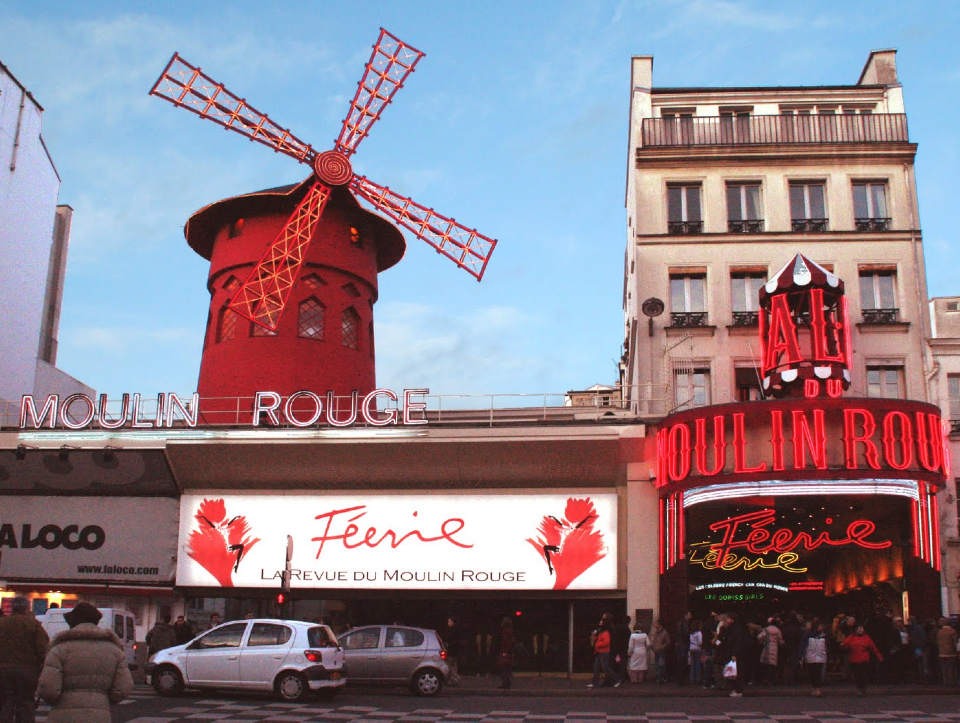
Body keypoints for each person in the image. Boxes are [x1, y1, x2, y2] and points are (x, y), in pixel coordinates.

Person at [37, 602, 133, 723]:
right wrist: (102, 698)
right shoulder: (115, 651)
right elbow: (123, 688)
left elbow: (48, 688)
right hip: (99, 714)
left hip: (64, 714)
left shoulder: (59, 650)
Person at [0, 595, 50, 723]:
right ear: (27, 608)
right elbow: (43, 649)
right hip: (28, 671)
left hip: (3, 671)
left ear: (12, 608)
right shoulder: (34, 625)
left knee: (5, 704)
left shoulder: (2, 623)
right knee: (26, 704)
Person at [841, 624, 882, 696]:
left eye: (861, 629)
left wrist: (879, 657)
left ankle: (863, 688)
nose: (860, 630)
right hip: (855, 659)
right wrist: (844, 646)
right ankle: (859, 689)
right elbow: (845, 644)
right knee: (858, 675)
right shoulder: (851, 637)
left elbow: (873, 648)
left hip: (864, 659)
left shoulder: (866, 637)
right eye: (859, 629)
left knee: (864, 675)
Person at [587, 616, 621, 688]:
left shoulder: (605, 633)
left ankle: (617, 679)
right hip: (599, 651)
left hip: (604, 652)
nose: (600, 622)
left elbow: (606, 642)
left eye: (601, 621)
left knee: (605, 667)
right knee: (596, 667)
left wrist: (596, 645)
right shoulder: (601, 632)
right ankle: (595, 682)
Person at [799, 622, 828, 697]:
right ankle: (813, 687)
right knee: (812, 673)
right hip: (810, 656)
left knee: (818, 673)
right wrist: (801, 655)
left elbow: (827, 646)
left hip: (820, 656)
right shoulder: (808, 634)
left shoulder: (824, 635)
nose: (821, 628)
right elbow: (803, 645)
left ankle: (817, 688)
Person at [758, 618, 784, 685]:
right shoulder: (778, 630)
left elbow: (759, 637)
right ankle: (771, 680)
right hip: (775, 647)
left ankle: (765, 679)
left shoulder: (766, 629)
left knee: (766, 663)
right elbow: (780, 640)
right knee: (772, 664)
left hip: (767, 646)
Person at [936, 618, 958, 686]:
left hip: (941, 652)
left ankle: (945, 682)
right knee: (951, 668)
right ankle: (951, 682)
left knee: (944, 668)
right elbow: (955, 642)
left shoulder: (939, 631)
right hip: (951, 652)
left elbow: (937, 641)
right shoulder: (952, 631)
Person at [443, 617, 463, 687]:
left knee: (449, 665)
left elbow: (449, 639)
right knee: (454, 665)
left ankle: (455, 678)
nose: (448, 623)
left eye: (449, 621)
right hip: (456, 651)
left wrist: (447, 644)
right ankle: (453, 680)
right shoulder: (458, 630)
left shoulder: (451, 631)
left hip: (451, 650)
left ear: (453, 622)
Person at [611, 615, 632, 683]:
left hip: (616, 648)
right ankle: (622, 677)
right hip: (624, 648)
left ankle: (616, 677)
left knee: (616, 663)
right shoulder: (627, 629)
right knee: (623, 663)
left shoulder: (616, 627)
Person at [497, 617, 515, 690]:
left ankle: (506, 683)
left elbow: (507, 642)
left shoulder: (506, 631)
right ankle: (506, 682)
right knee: (506, 668)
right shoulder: (511, 631)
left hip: (505, 652)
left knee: (503, 667)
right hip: (508, 652)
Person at [675, 611, 692, 684]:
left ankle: (680, 679)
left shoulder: (680, 623)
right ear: (686, 615)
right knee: (683, 661)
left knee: (681, 661)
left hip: (680, 643)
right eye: (689, 614)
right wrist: (687, 640)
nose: (691, 616)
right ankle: (681, 679)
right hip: (683, 644)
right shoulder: (684, 623)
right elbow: (684, 633)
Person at [688, 620, 703, 684]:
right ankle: (698, 678)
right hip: (697, 649)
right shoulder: (699, 633)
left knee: (692, 664)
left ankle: (692, 679)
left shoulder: (691, 633)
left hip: (691, 649)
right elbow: (700, 642)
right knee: (697, 664)